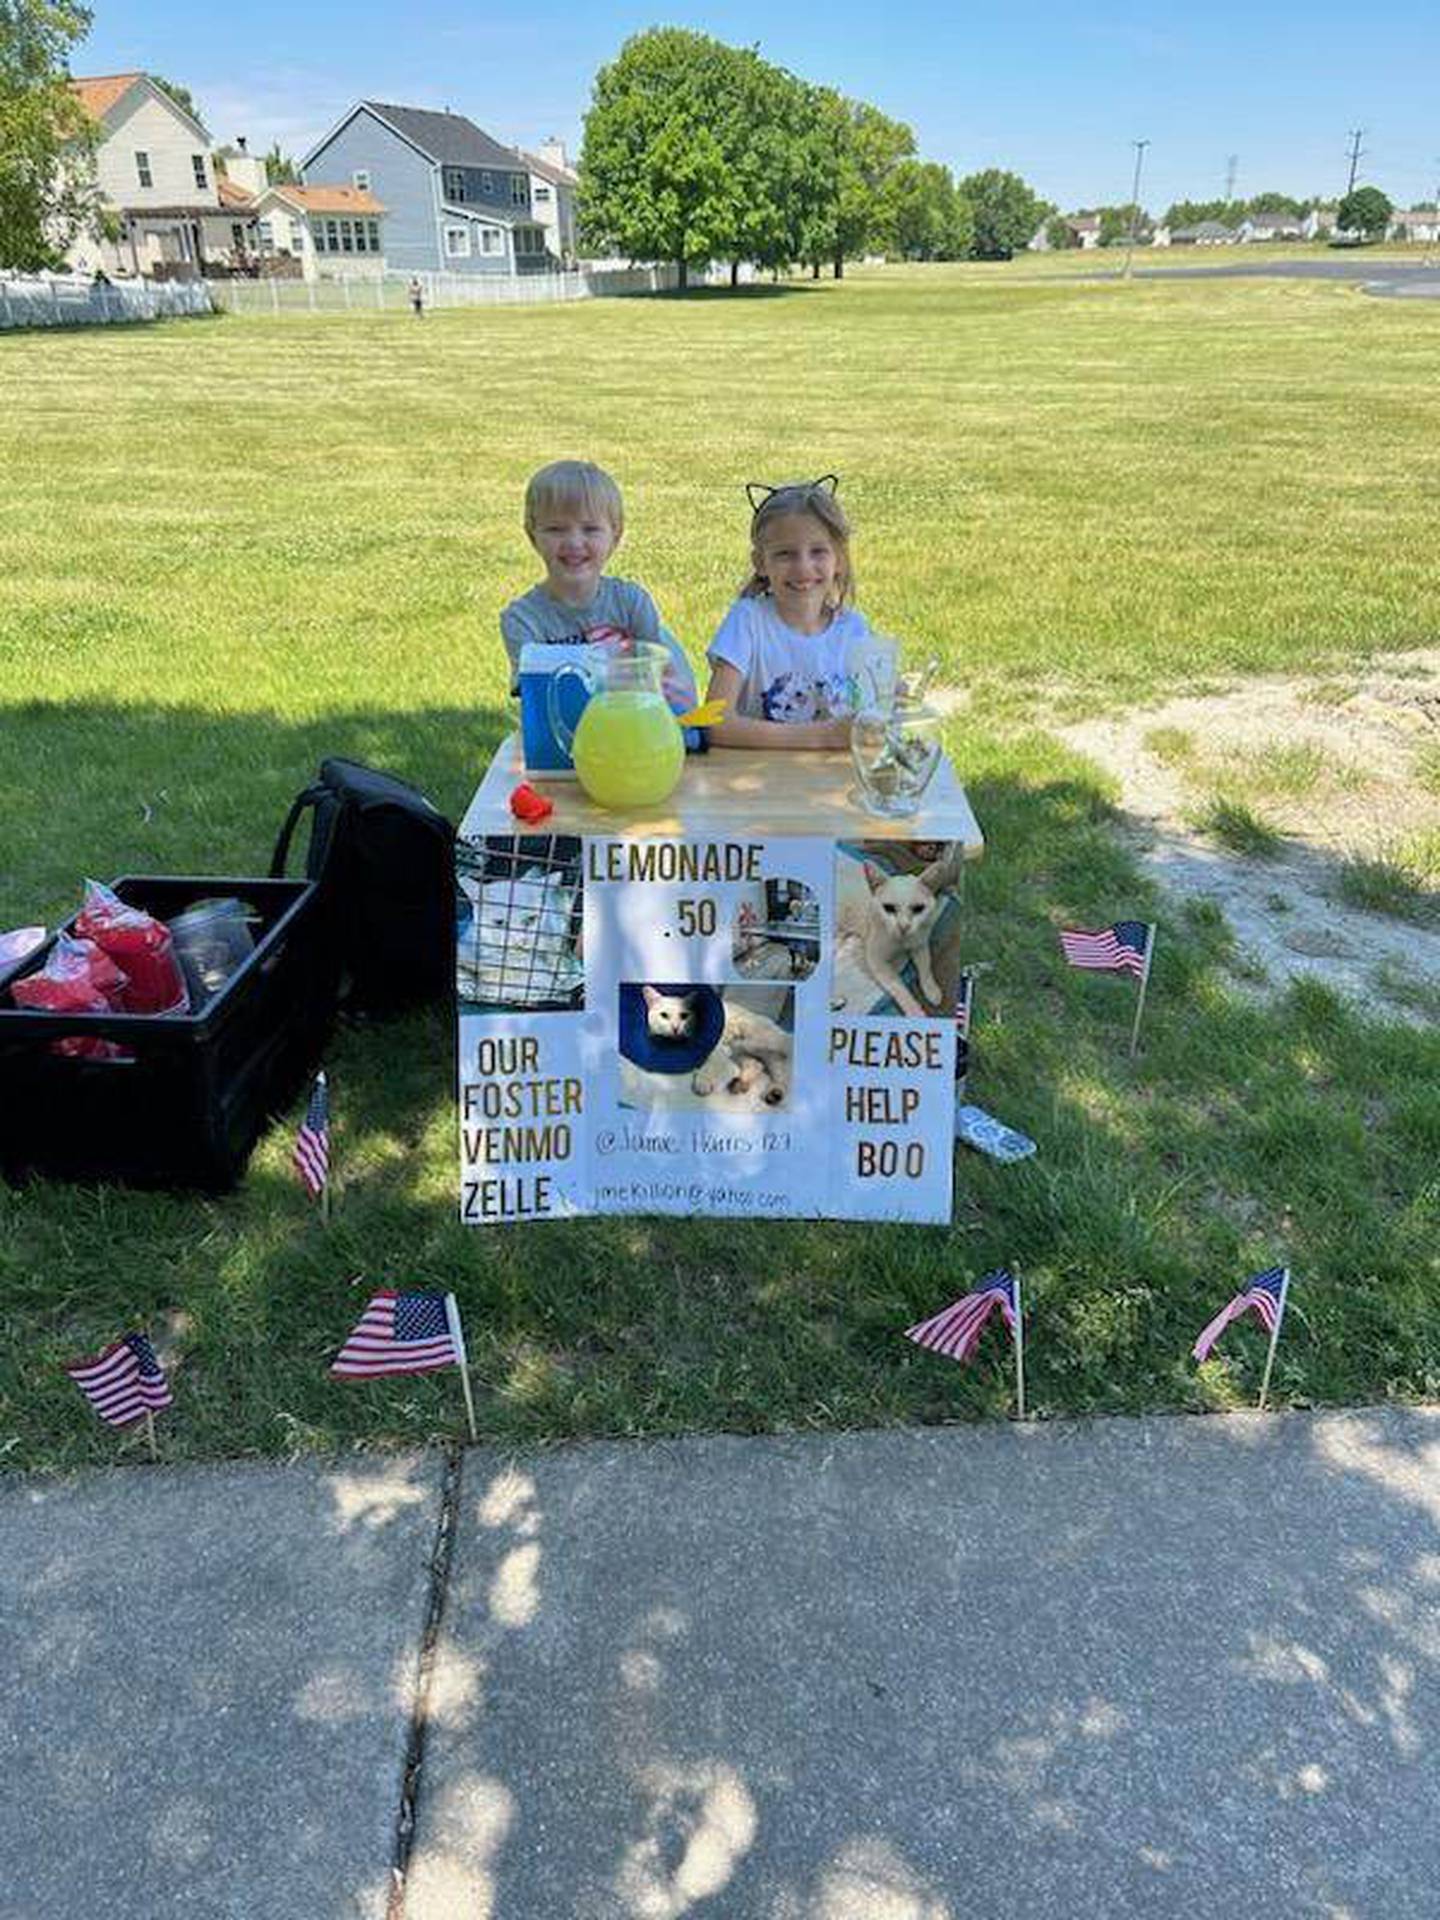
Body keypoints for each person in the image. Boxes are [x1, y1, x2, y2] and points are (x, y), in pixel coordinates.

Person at [500, 459, 696, 706]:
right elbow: (536, 699)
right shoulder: (523, 619)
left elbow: (658, 679)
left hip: (629, 726)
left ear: (615, 535)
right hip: (559, 737)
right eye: (556, 529)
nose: (573, 542)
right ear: (532, 536)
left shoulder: (631, 603)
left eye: (590, 529)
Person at [703, 475, 879, 750]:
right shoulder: (747, 621)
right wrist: (824, 736)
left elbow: (873, 718)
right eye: (785, 554)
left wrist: (891, 704)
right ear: (761, 563)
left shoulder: (854, 630)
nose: (803, 568)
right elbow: (714, 723)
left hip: (833, 784)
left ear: (839, 560)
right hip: (757, 782)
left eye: (818, 551)